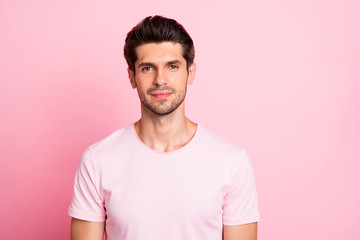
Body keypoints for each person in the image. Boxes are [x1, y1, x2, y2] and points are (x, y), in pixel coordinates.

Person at [68, 15, 260, 240]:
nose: (160, 80)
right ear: (132, 77)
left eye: (172, 66)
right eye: (148, 68)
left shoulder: (231, 160)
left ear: (190, 72)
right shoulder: (97, 160)